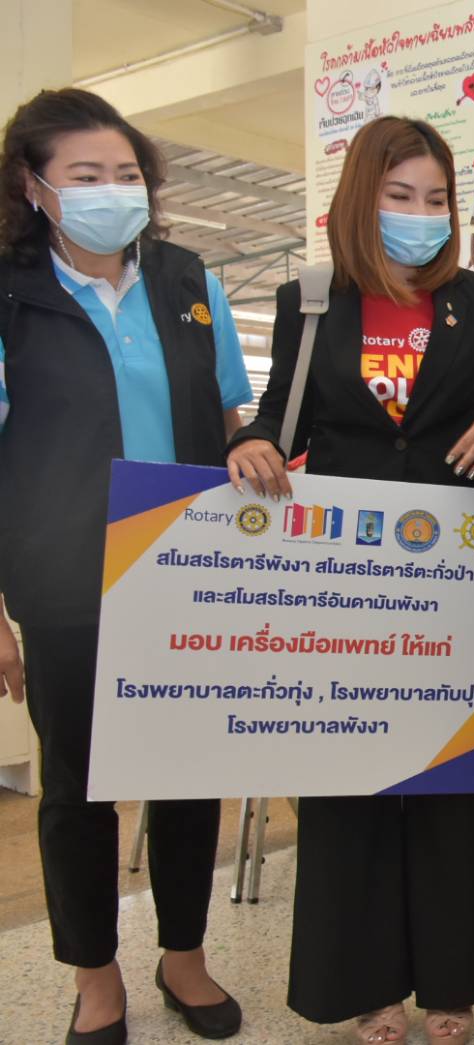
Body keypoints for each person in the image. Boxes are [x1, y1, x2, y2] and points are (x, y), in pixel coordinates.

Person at [226, 116, 474, 1045]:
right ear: (362, 199)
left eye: (436, 198)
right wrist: (249, 444)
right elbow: (275, 413)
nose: (420, 213)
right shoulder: (312, 299)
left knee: (449, 773)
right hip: (342, 574)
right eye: (400, 196)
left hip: (450, 569)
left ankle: (453, 981)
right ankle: (367, 986)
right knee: (348, 775)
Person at [0, 88, 252, 1044]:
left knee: (188, 770)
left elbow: (230, 413)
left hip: (185, 567)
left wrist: (252, 452)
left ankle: (183, 954)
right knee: (78, 785)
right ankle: (94, 975)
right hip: (66, 578)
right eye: (86, 175)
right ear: (34, 186)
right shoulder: (10, 290)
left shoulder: (186, 278)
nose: (114, 190)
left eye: (127, 173)